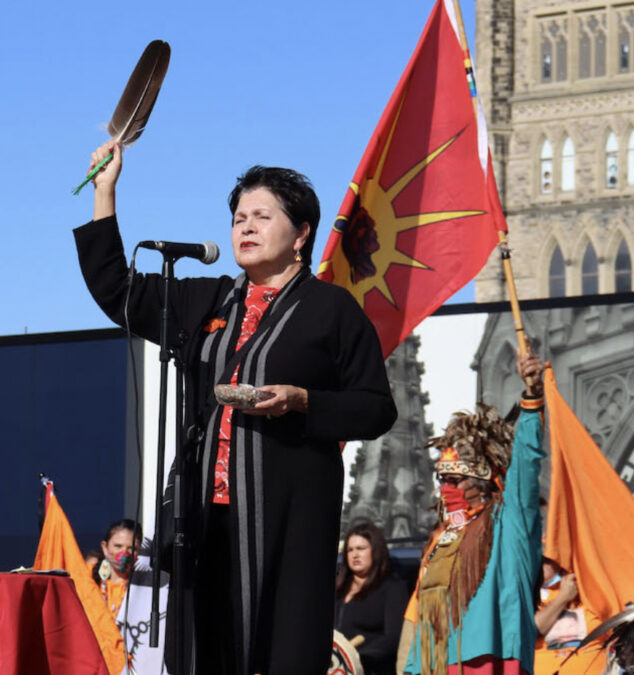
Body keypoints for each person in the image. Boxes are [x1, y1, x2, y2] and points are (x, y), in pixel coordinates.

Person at [75, 141, 397, 675]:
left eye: (261, 216)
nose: (245, 227)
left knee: (281, 649)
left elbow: (375, 409)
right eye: (238, 218)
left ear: (301, 234)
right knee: (205, 649)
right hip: (204, 519)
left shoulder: (331, 310)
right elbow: (117, 291)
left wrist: (303, 402)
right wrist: (105, 193)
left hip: (289, 517)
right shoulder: (208, 299)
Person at [403, 351, 545, 674]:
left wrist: (532, 400)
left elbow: (525, 464)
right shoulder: (439, 543)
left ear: (485, 480)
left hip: (494, 660)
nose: (447, 489)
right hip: (435, 665)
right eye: (443, 480)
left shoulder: (509, 525)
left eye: (457, 480)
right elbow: (423, 623)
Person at [334, 521, 408, 675]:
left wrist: (356, 657)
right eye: (350, 550)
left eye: (361, 549)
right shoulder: (337, 589)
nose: (355, 555)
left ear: (375, 551)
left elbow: (394, 637)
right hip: (334, 668)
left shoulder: (392, 587)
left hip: (370, 669)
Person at [92, 519, 138, 619]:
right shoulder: (88, 579)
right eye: (118, 546)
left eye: (132, 548)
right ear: (105, 547)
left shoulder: (144, 587)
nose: (124, 553)